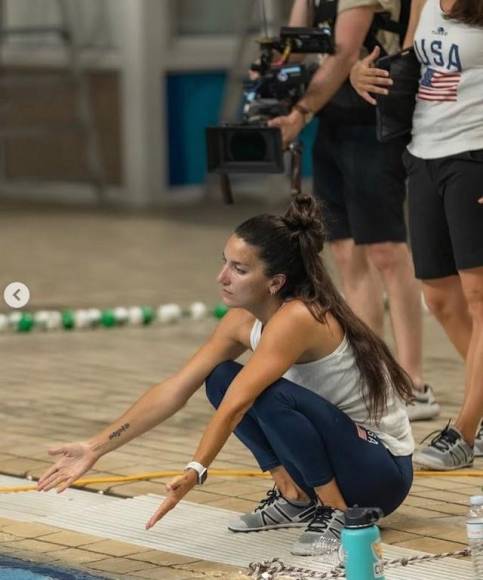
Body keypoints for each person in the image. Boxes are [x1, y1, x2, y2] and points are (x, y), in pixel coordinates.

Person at [37, 193, 414, 555]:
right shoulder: (241, 321)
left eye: (239, 269)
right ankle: (294, 495)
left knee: (263, 393)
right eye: (224, 262)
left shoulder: (300, 317)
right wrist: (95, 447)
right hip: (343, 459)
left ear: (276, 282)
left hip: (380, 472)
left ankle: (337, 513)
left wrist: (195, 470)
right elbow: (175, 388)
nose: (222, 277)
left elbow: (238, 405)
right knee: (219, 376)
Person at [268, 0, 438, 422]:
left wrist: (302, 108)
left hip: (376, 122)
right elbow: (296, 46)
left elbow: (346, 50)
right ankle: (372, 375)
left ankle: (414, 382)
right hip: (335, 121)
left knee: (386, 250)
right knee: (345, 252)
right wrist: (273, 75)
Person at [350, 0, 483, 469]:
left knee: (479, 296)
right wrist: (360, 76)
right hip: (424, 154)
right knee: (441, 298)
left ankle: (466, 430)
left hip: (476, 157)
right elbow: (410, 64)